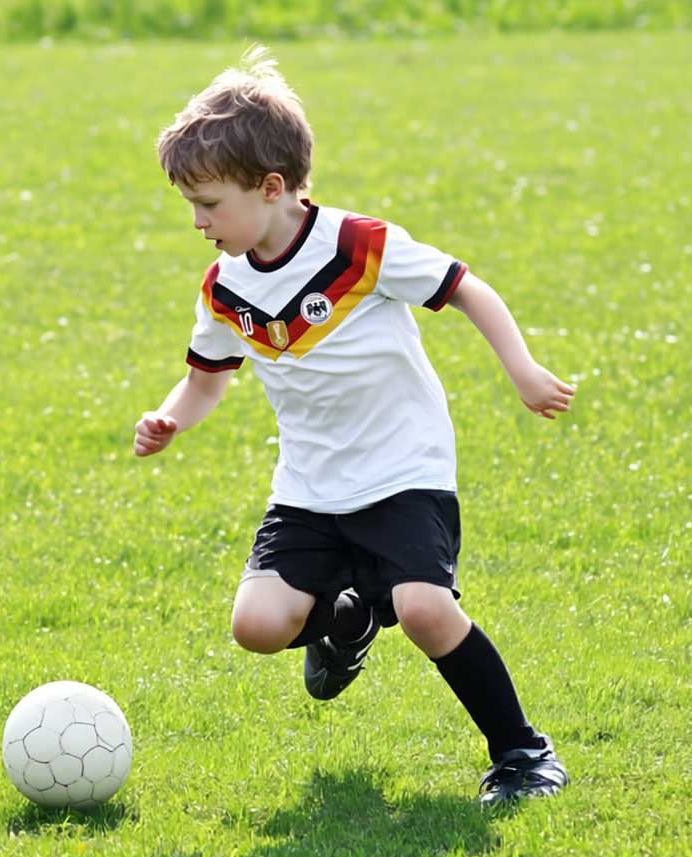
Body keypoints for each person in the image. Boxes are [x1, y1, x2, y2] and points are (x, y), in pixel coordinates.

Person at [135, 49, 575, 805]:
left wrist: (523, 369)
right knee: (257, 626)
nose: (199, 221)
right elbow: (207, 380)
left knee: (427, 609)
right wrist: (173, 416)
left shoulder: (358, 247)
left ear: (272, 188)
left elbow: (466, 288)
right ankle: (347, 622)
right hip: (310, 486)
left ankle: (522, 755)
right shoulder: (224, 286)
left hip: (404, 469)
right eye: (192, 207)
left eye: (209, 203)